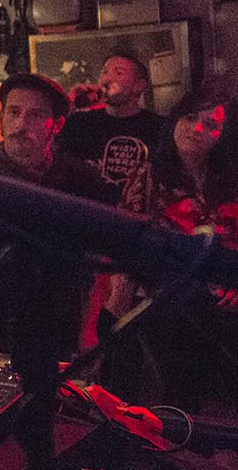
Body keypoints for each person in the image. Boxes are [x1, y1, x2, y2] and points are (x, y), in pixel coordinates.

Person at [0, 73, 106, 357]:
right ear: (1, 116)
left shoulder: (82, 181)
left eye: (35, 115)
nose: (21, 124)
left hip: (57, 324)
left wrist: (89, 327)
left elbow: (101, 263)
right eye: (13, 112)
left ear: (57, 124)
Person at [102, 84, 237, 410]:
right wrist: (116, 308)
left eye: (211, 124)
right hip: (166, 306)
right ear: (175, 119)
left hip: (226, 306)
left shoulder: (229, 179)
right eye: (190, 118)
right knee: (181, 393)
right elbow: (127, 246)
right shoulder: (149, 175)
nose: (198, 129)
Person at [57, 52, 167, 212]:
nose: (107, 79)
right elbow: (48, 154)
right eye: (105, 72)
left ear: (139, 86)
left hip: (136, 220)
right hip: (86, 216)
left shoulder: (160, 128)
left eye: (118, 73)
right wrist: (68, 106)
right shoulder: (79, 122)